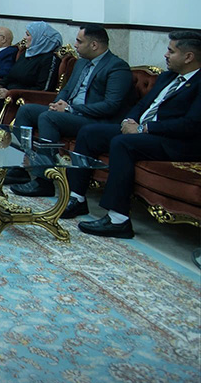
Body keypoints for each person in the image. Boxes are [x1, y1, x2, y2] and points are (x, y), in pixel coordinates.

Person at [59, 31, 201, 237]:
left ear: (188, 57)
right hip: (144, 131)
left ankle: (119, 219)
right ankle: (76, 198)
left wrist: (144, 129)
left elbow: (190, 125)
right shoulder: (168, 77)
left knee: (123, 143)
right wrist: (128, 121)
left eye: (171, 51)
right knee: (89, 132)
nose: (165, 55)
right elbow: (143, 105)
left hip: (176, 141)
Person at [8, 23, 132, 196]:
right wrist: (56, 104)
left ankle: (44, 181)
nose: (75, 45)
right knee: (27, 110)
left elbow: (110, 105)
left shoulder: (117, 67)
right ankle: (18, 168)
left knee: (48, 118)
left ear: (94, 45)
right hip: (69, 112)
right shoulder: (81, 63)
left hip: (92, 119)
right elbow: (66, 90)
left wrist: (70, 109)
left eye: (79, 41)